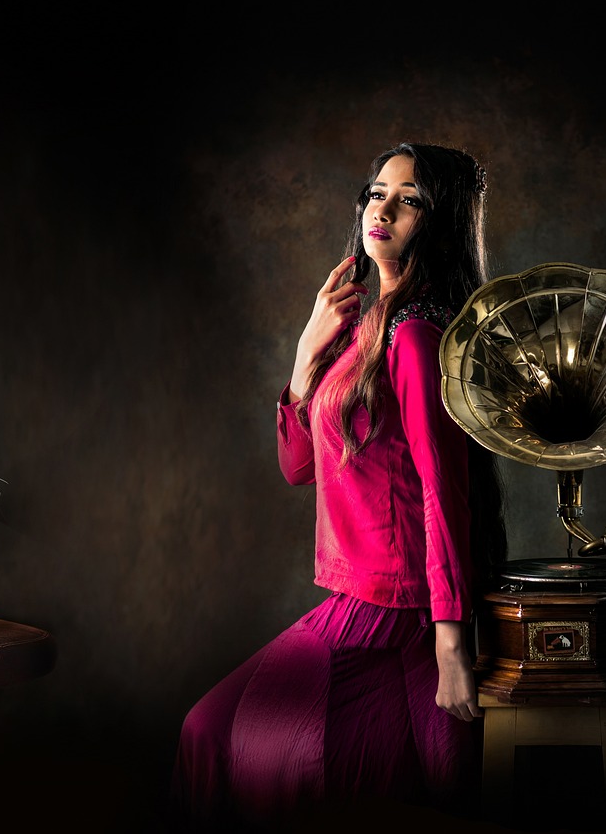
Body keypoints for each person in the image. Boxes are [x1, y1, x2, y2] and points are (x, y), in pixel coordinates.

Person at [171, 142, 506, 830]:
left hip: (398, 610)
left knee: (246, 748)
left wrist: (451, 642)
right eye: (376, 193)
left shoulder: (417, 338)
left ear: (440, 223)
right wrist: (303, 359)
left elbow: (446, 492)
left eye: (409, 200)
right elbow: (300, 468)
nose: (382, 210)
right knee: (217, 736)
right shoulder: (360, 328)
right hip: (354, 598)